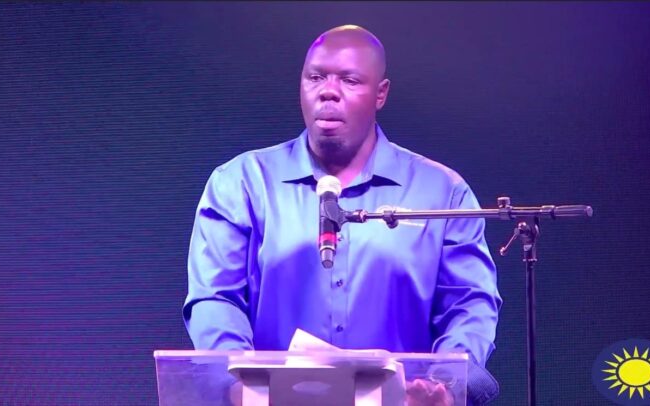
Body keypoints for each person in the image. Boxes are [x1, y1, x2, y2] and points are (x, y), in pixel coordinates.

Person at [183, 25, 502, 405]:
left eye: (349, 80)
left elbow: (469, 304)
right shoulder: (241, 183)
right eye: (315, 77)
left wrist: (445, 387)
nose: (328, 91)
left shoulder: (442, 191)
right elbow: (215, 299)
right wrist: (239, 382)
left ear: (380, 94)